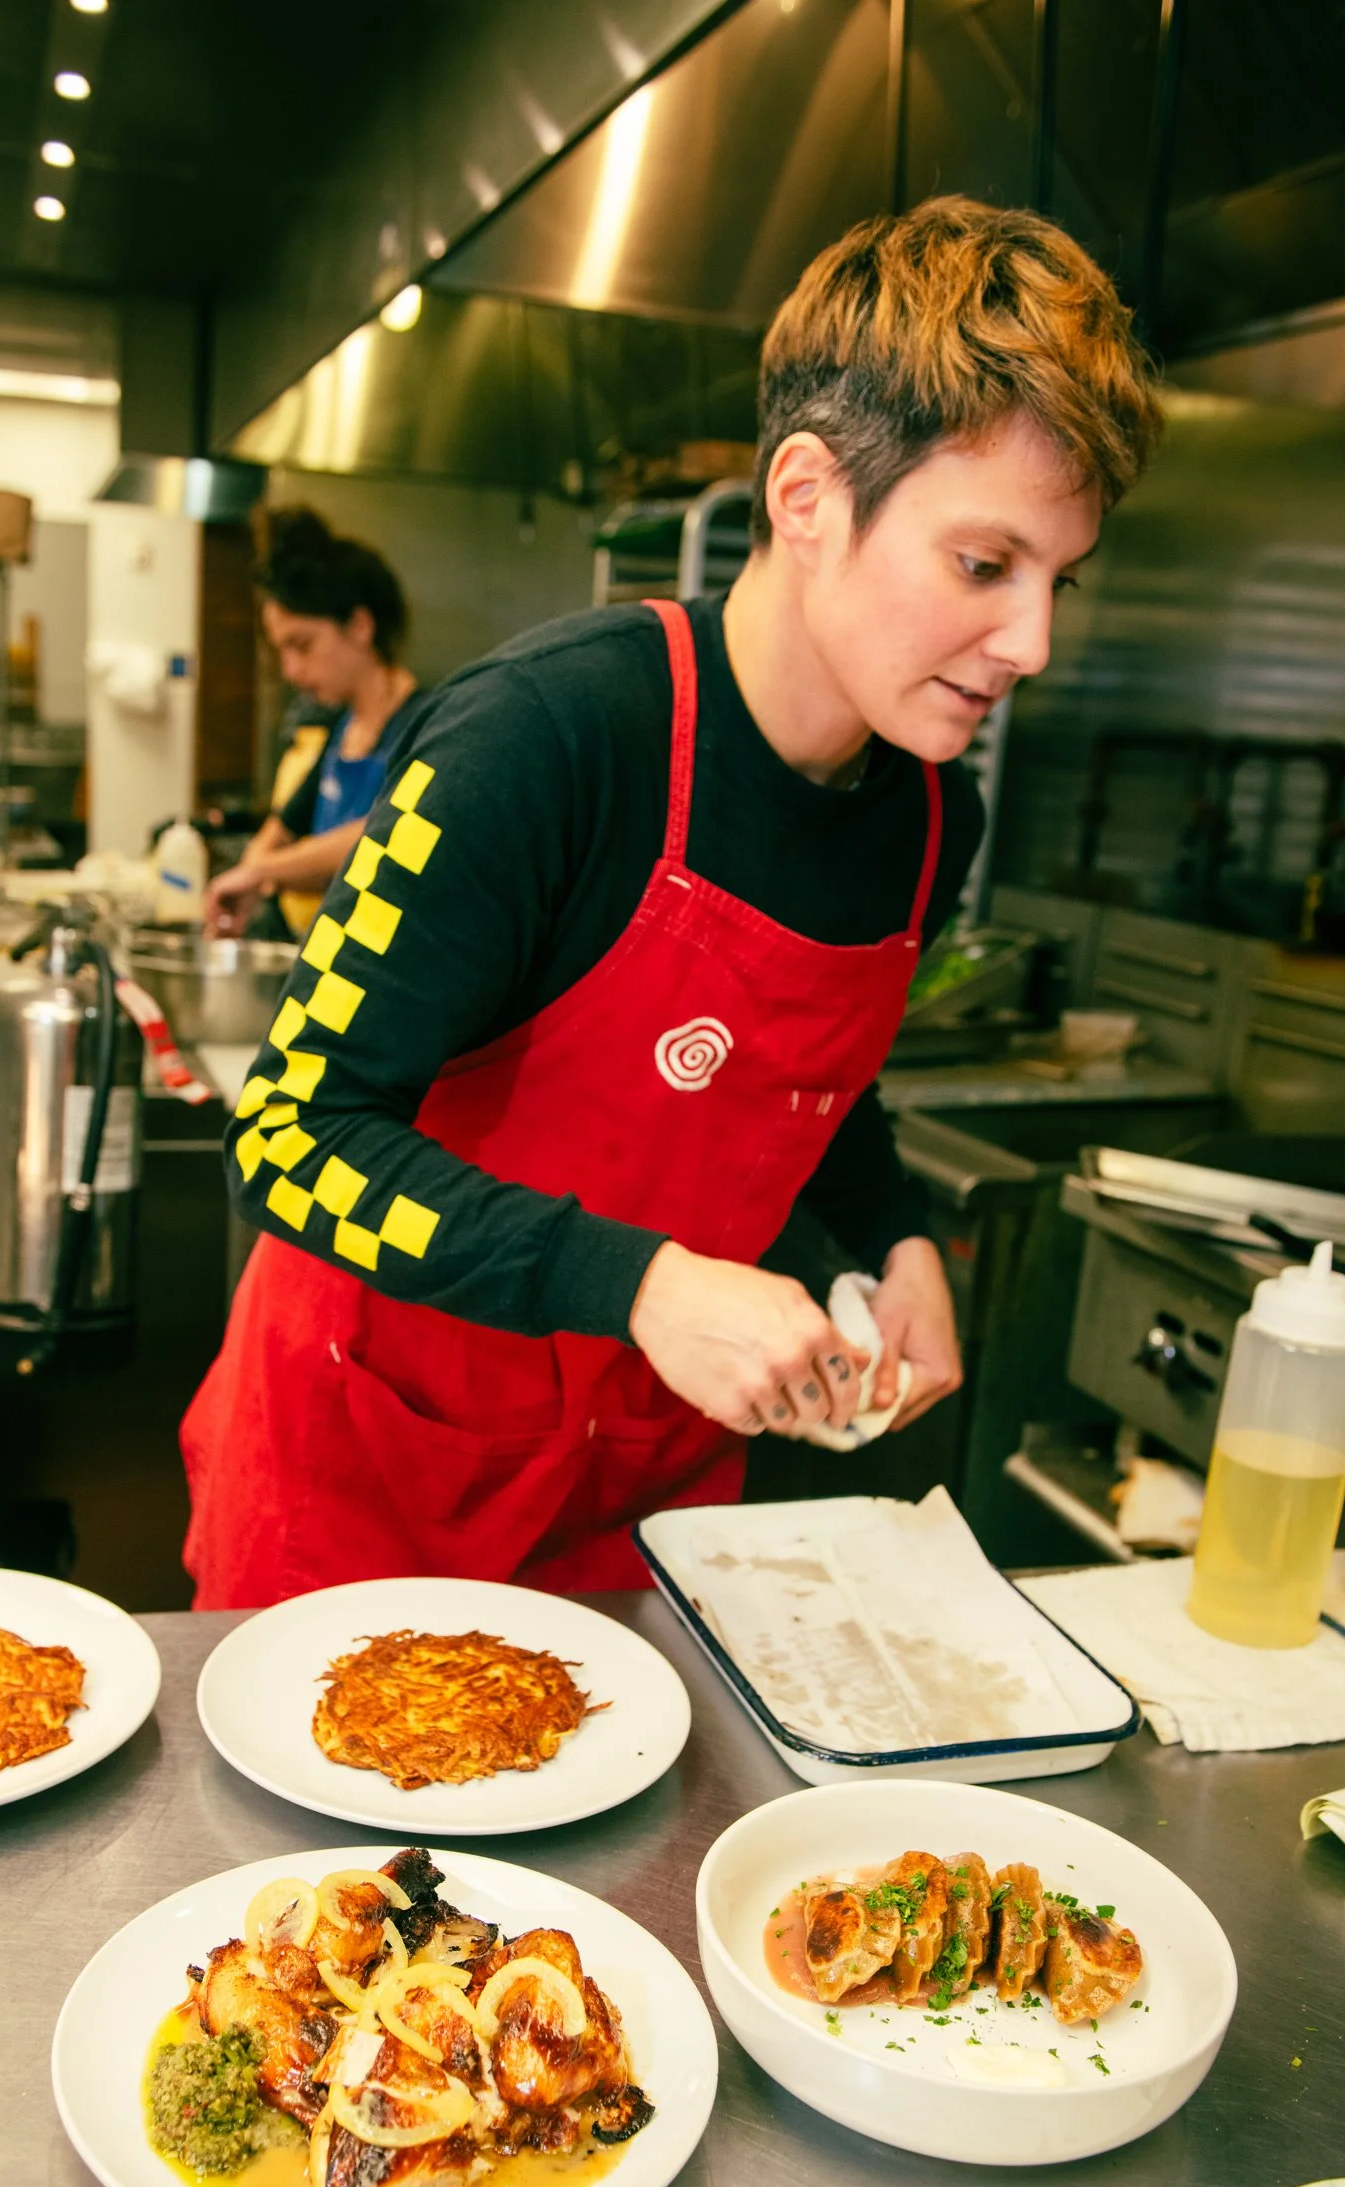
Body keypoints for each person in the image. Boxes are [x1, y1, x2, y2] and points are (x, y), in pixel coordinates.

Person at [182, 197, 1161, 1608]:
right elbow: (284, 1139)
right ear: (807, 498)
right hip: (370, 1478)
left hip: (631, 1495)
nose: (1030, 642)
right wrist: (642, 1285)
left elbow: (803, 1087)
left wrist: (892, 1236)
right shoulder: (544, 742)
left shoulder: (931, 816)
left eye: (1055, 580)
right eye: (981, 564)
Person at [204, 508, 418, 939]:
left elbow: (380, 835)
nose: (291, 670)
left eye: (302, 646)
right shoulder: (340, 729)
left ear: (359, 625)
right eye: (281, 651)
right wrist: (254, 869)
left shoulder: (426, 724)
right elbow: (282, 827)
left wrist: (263, 870)